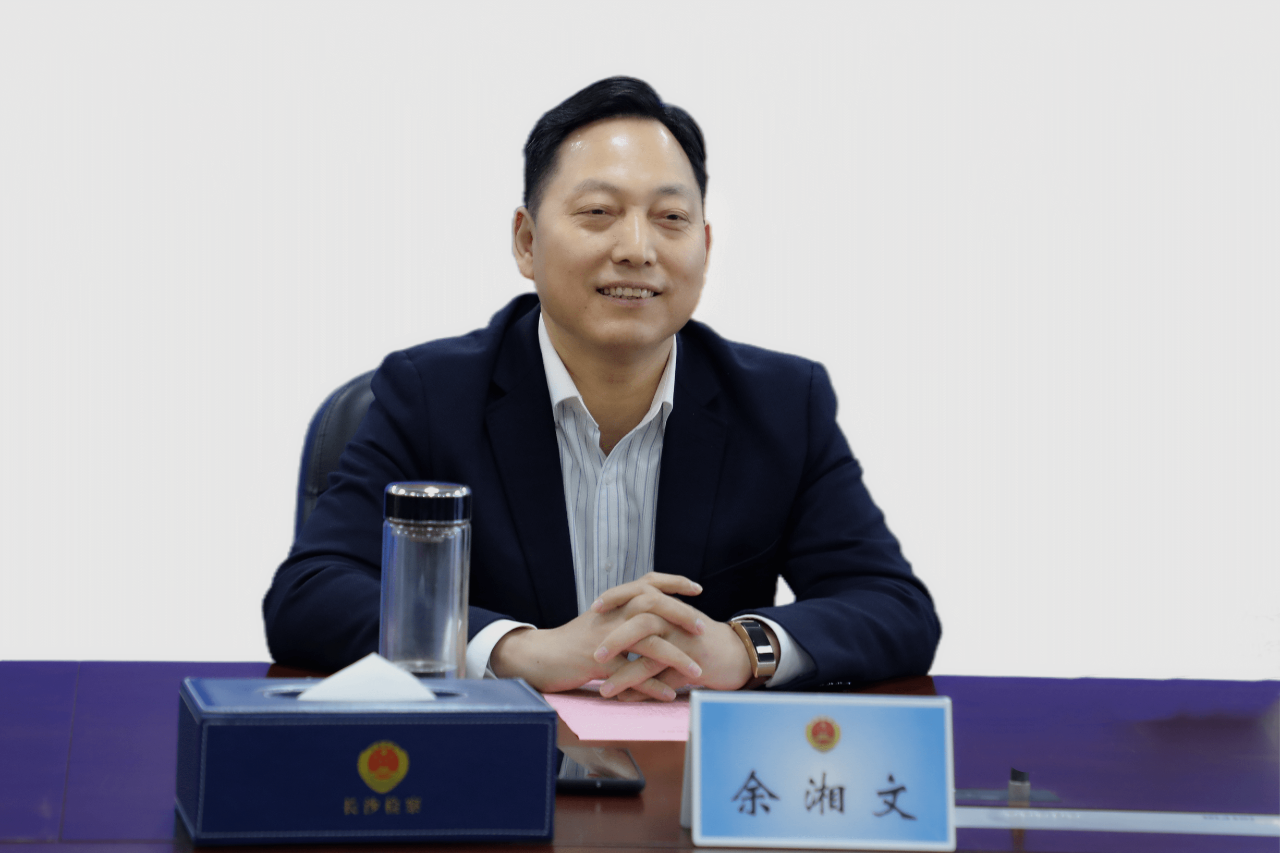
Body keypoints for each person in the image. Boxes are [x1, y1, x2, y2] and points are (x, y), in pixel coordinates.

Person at [263, 77, 940, 701]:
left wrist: (743, 648)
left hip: (689, 774)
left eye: (670, 218)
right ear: (527, 241)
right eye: (598, 211)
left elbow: (894, 607)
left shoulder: (784, 404)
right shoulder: (431, 394)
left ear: (705, 247)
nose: (637, 248)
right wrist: (520, 650)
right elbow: (309, 595)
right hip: (498, 766)